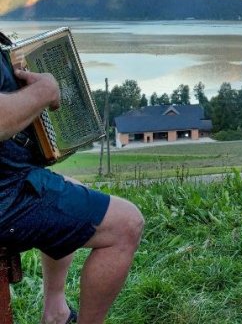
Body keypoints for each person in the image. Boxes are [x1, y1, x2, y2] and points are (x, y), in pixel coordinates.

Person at [0, 32, 144, 324]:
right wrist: (45, 91)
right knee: (126, 225)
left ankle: (56, 312)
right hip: (5, 195)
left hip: (10, 181)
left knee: (70, 190)